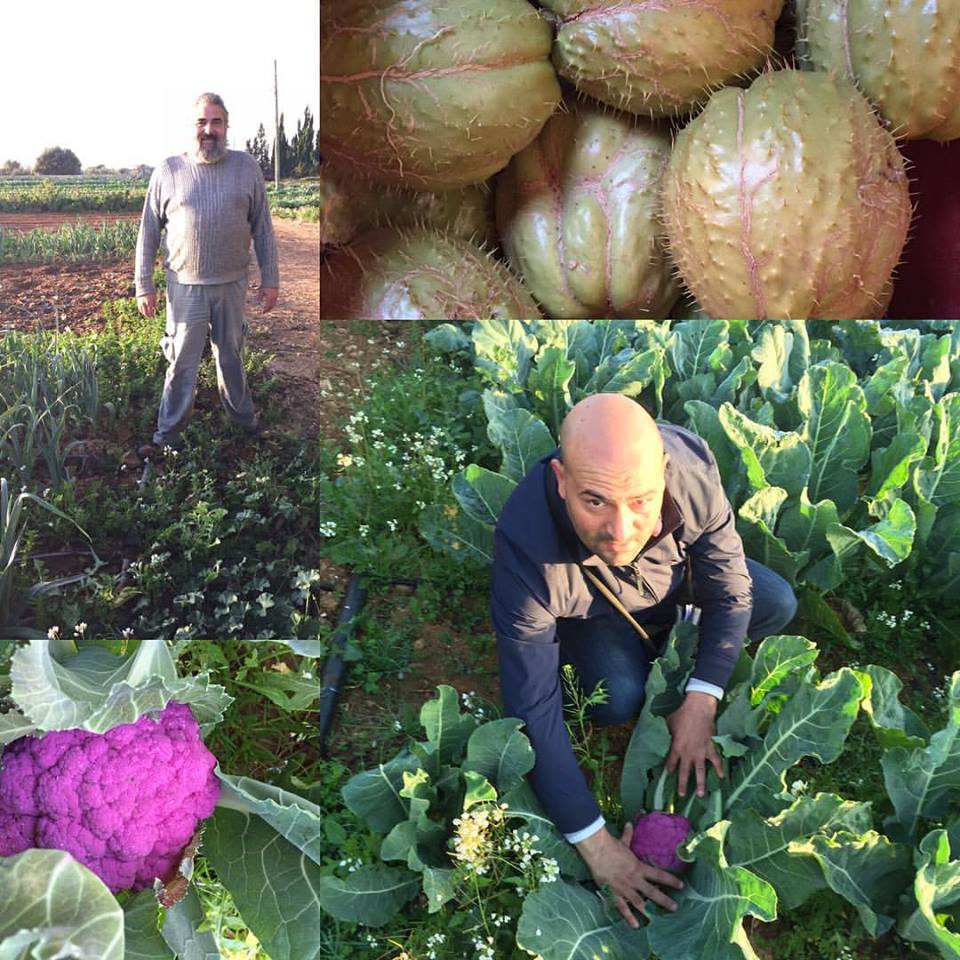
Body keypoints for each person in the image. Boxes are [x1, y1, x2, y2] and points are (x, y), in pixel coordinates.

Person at [491, 393, 797, 928]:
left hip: (675, 580)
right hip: (595, 611)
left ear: (664, 473)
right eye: (595, 502)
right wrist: (596, 845)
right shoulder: (526, 549)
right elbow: (532, 707)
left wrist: (702, 700)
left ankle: (674, 644)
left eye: (640, 501)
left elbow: (729, 592)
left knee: (774, 604)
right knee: (618, 698)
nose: (620, 530)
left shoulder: (693, 470)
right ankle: (662, 647)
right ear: (561, 480)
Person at [134, 92, 279, 457]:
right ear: (192, 127)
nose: (209, 130)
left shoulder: (246, 167)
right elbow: (148, 232)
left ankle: (244, 426)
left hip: (232, 285)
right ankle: (168, 437)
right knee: (182, 362)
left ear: (226, 127)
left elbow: (263, 227)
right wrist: (143, 285)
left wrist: (271, 279)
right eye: (202, 122)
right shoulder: (168, 171)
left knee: (230, 357)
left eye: (216, 122)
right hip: (185, 289)